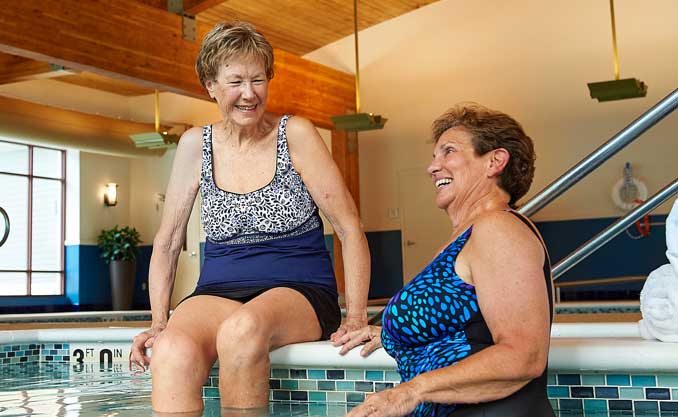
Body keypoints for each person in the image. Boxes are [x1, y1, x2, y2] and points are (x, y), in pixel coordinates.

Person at [128, 21, 370, 414]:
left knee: (242, 331)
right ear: (211, 86)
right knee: (172, 348)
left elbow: (348, 226)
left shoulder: (297, 135)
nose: (249, 94)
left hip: (300, 289)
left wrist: (356, 315)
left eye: (258, 80)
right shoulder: (195, 145)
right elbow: (169, 240)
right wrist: (159, 321)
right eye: (236, 81)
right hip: (219, 290)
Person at [335, 104, 554, 417]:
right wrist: (391, 332)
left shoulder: (497, 228)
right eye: (434, 156)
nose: (432, 168)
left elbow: (524, 355)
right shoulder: (469, 235)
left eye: (447, 151)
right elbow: (464, 326)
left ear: (495, 161)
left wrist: (408, 393)